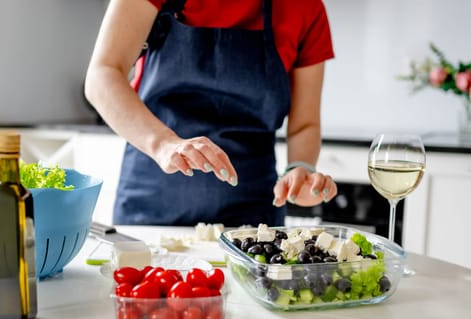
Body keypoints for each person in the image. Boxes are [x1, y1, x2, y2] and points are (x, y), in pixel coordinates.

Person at [84, 0, 338, 227]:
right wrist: (164, 144)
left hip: (251, 218)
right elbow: (102, 75)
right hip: (151, 205)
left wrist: (300, 167)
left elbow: (304, 124)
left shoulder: (306, 7)